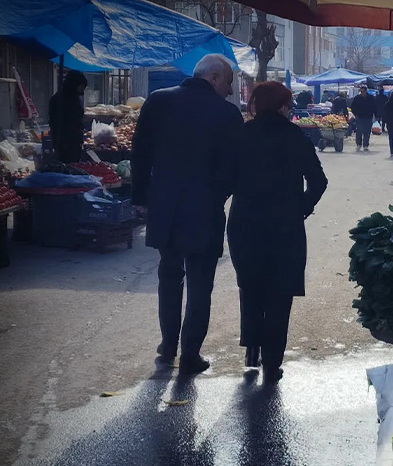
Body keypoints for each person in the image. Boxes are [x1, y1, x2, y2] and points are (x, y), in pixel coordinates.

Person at [131, 54, 245, 375]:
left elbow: (140, 152)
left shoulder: (158, 101)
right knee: (199, 284)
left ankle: (168, 347)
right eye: (228, 84)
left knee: (169, 275)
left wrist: (141, 196)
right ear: (213, 79)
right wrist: (219, 194)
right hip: (204, 211)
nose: (230, 91)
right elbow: (236, 168)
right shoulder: (227, 114)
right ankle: (190, 354)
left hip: (165, 207)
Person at [227, 81, 328, 383]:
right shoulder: (295, 136)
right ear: (284, 106)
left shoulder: (241, 135)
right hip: (285, 227)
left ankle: (252, 350)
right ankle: (272, 361)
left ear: (257, 105)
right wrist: (301, 207)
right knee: (280, 294)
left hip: (245, 225)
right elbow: (319, 181)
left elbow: (225, 178)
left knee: (251, 287)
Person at [48, 70, 88, 164]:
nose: (82, 90)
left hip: (73, 141)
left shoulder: (74, 98)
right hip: (65, 142)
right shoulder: (61, 100)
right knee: (67, 165)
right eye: (81, 86)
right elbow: (57, 121)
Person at [349, 85, 377, 151]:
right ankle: (358, 144)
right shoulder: (357, 98)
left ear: (366, 91)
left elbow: (374, 107)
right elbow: (352, 107)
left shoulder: (371, 98)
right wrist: (356, 114)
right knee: (359, 131)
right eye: (361, 91)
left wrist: (375, 115)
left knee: (367, 132)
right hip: (359, 117)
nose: (362, 93)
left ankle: (365, 145)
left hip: (368, 117)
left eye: (363, 91)